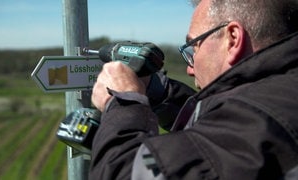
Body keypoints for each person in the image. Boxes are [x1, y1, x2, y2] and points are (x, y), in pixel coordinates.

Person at [90, 0, 298, 179]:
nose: (190, 68)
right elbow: (219, 123)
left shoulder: (257, 122)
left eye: (194, 46)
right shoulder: (280, 95)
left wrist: (123, 102)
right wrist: (161, 94)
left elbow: (127, 174)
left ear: (232, 39)